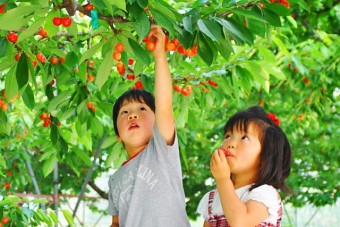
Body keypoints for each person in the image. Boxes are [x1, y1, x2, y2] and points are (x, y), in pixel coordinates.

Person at [108, 25, 190, 227]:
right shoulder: (114, 180)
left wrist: (159, 55)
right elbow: (116, 223)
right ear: (118, 135)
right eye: (124, 113)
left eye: (142, 110)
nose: (132, 114)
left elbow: (164, 105)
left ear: (156, 123)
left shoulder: (161, 152)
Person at [197, 106, 292, 227]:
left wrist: (223, 179)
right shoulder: (213, 198)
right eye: (227, 136)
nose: (230, 143)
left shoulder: (264, 193)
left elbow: (240, 223)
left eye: (244, 138)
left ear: (265, 156)